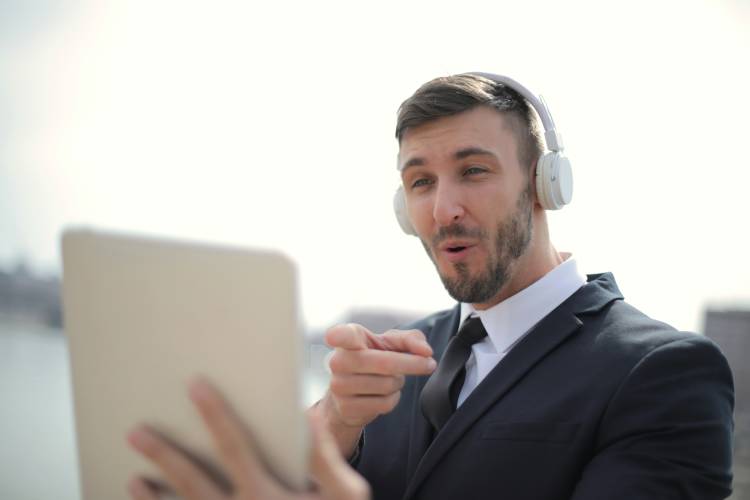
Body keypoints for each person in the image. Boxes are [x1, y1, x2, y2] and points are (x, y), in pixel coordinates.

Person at [130, 72, 735, 499]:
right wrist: (336, 424)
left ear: (544, 184)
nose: (444, 208)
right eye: (420, 182)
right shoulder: (393, 358)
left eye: (473, 171)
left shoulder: (664, 373)